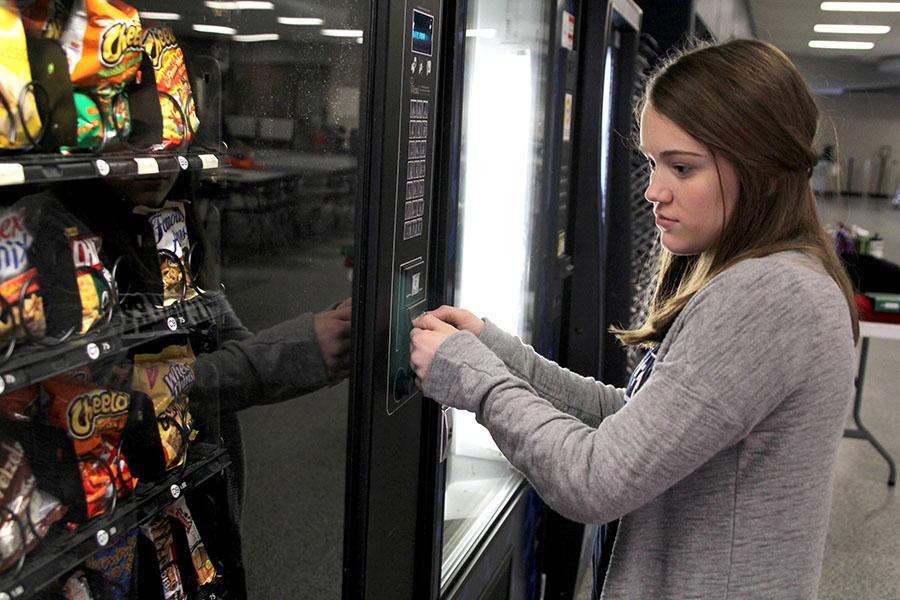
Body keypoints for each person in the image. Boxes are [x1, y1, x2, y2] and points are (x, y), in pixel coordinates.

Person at [409, 39, 859, 599]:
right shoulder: (764, 277)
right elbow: (633, 422)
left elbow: (596, 480)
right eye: (652, 162)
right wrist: (501, 353)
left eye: (682, 167)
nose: (653, 191)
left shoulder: (770, 296)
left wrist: (477, 380)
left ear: (762, 169)